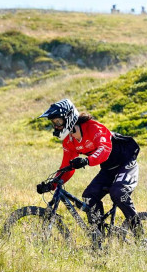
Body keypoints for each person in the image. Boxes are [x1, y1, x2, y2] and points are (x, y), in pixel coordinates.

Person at [37, 98, 141, 236]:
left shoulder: (93, 128)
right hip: (108, 170)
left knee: (118, 193)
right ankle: (98, 239)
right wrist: (52, 185)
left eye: (58, 122)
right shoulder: (69, 141)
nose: (56, 126)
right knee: (88, 196)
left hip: (126, 163)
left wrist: (87, 161)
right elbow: (67, 167)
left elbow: (104, 149)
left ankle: (140, 237)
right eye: (53, 123)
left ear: (68, 117)